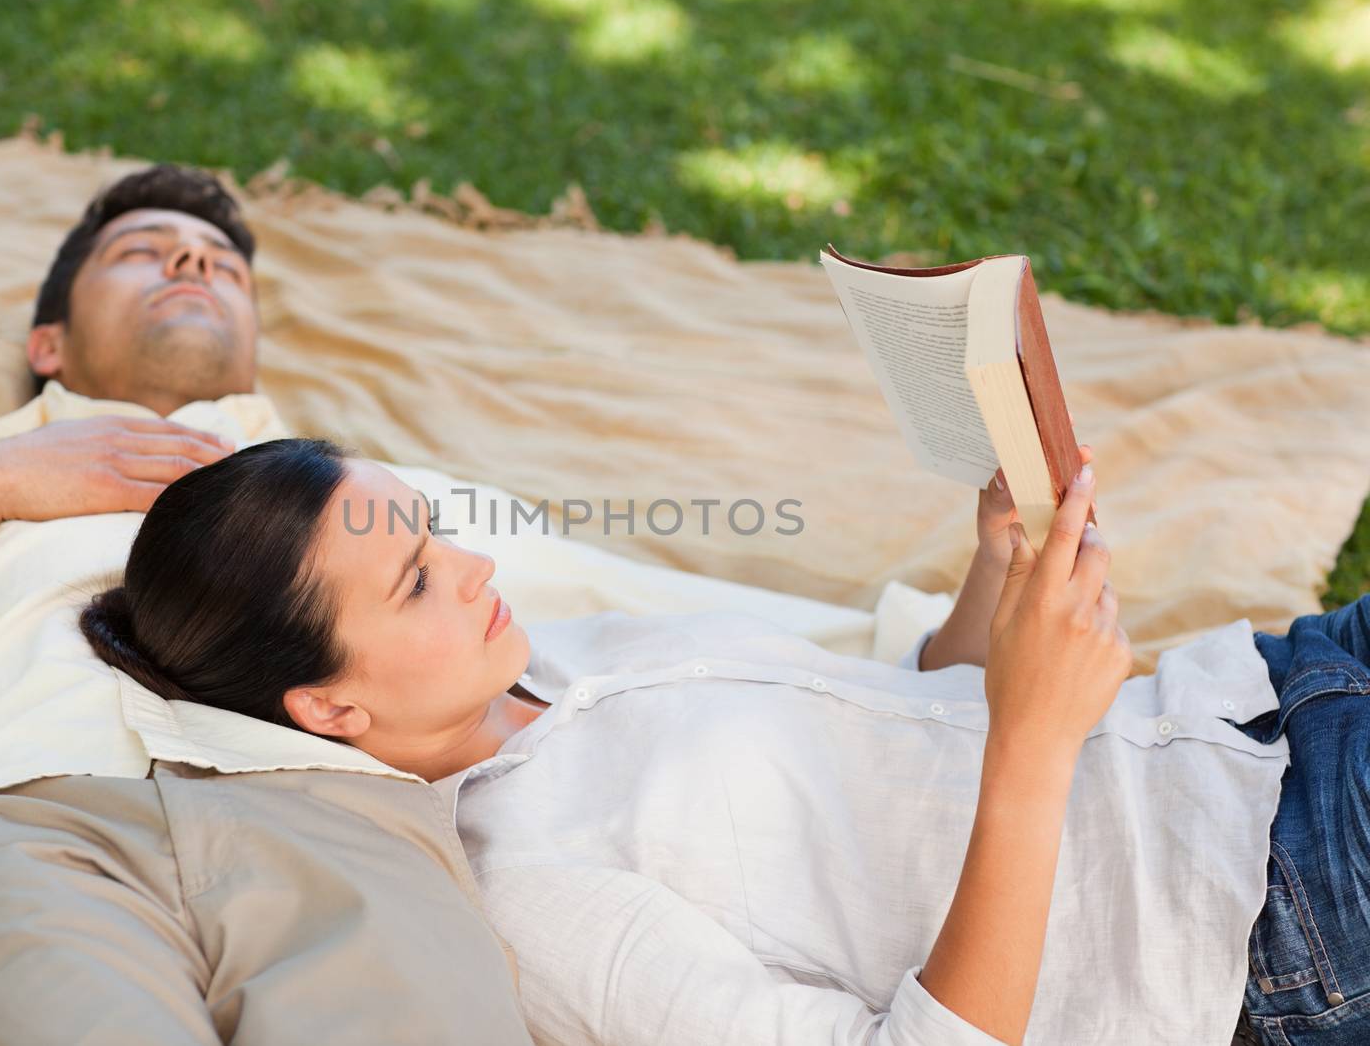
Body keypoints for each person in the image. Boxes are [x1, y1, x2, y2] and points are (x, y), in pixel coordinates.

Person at [82, 435, 1369, 1046]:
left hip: (1251, 697)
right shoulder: (536, 898)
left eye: (436, 526)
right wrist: (1033, 741)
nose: (476, 564)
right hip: (1265, 906)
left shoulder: (558, 661)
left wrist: (993, 575)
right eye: (416, 578)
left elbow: (903, 718)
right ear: (328, 708)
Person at [0, 165, 543, 1044]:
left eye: (225, 264)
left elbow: (557, 631)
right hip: (31, 818)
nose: (190, 257)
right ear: (47, 346)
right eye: (143, 250)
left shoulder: (377, 496)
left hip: (338, 811)